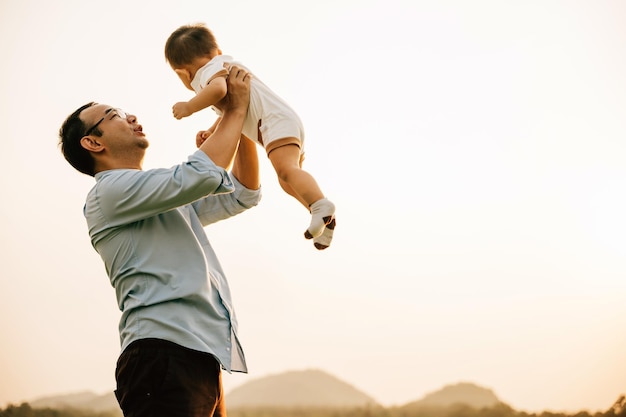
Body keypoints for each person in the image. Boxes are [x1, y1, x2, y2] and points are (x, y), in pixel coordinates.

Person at [58, 67, 260, 417]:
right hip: (162, 354)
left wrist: (237, 127)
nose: (131, 116)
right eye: (115, 115)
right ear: (93, 142)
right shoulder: (109, 193)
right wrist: (234, 110)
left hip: (198, 357)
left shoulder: (156, 194)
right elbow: (200, 174)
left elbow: (243, 192)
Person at [165, 23, 336, 250]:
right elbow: (231, 108)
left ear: (183, 73)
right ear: (216, 50)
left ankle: (320, 204)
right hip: (279, 123)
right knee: (286, 179)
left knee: (287, 171)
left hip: (274, 123)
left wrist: (189, 106)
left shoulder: (208, 71)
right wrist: (213, 131)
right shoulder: (221, 63)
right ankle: (322, 218)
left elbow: (219, 91)